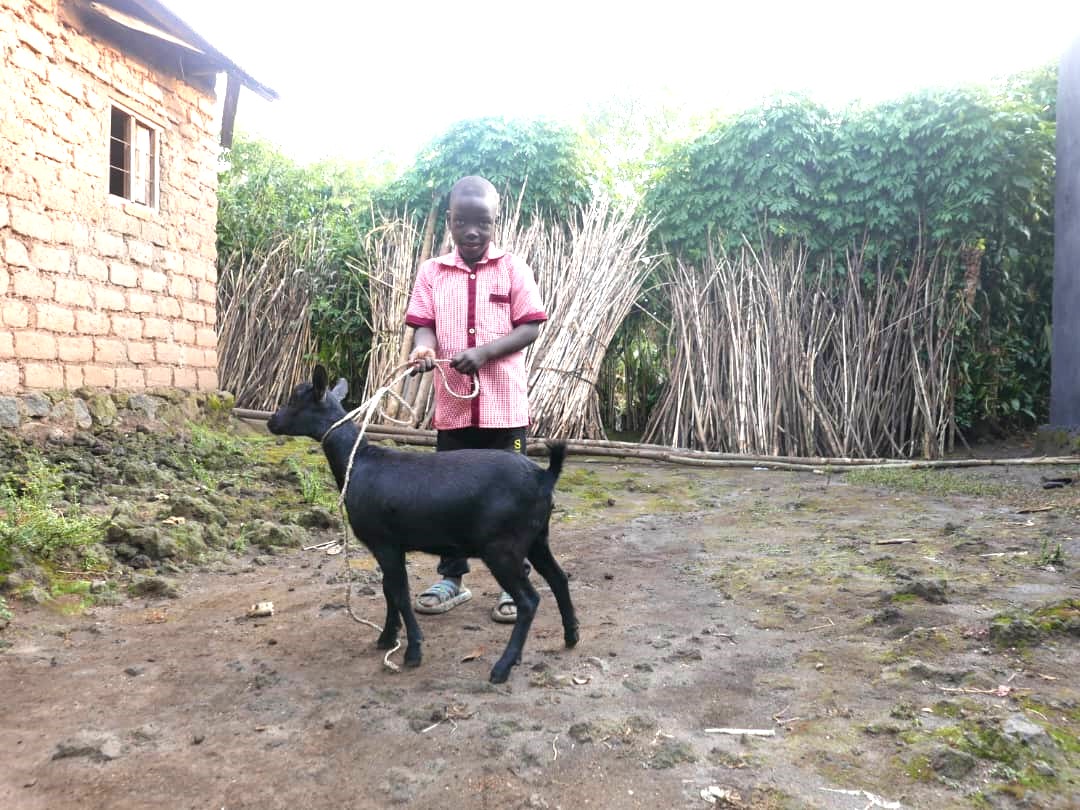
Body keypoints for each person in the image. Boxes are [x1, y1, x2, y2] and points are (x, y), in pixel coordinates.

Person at [405, 175, 547, 623]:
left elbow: (530, 326)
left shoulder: (513, 269)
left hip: (505, 409)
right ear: (449, 221)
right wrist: (423, 348)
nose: (472, 231)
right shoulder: (432, 271)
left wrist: (484, 353)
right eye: (462, 221)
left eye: (481, 223)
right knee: (448, 497)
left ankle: (516, 579)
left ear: (495, 222)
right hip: (454, 410)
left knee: (513, 498)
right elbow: (423, 324)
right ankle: (452, 578)